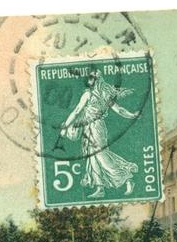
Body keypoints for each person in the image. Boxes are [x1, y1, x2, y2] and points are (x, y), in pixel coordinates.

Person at [60, 70, 140, 199]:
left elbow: (76, 111)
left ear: (97, 79)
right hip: (89, 128)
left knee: (101, 155)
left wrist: (132, 115)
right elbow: (77, 111)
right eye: (89, 78)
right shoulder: (97, 93)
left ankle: (126, 178)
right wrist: (131, 115)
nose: (89, 80)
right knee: (92, 157)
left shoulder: (93, 94)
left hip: (96, 127)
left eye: (91, 78)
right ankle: (100, 188)